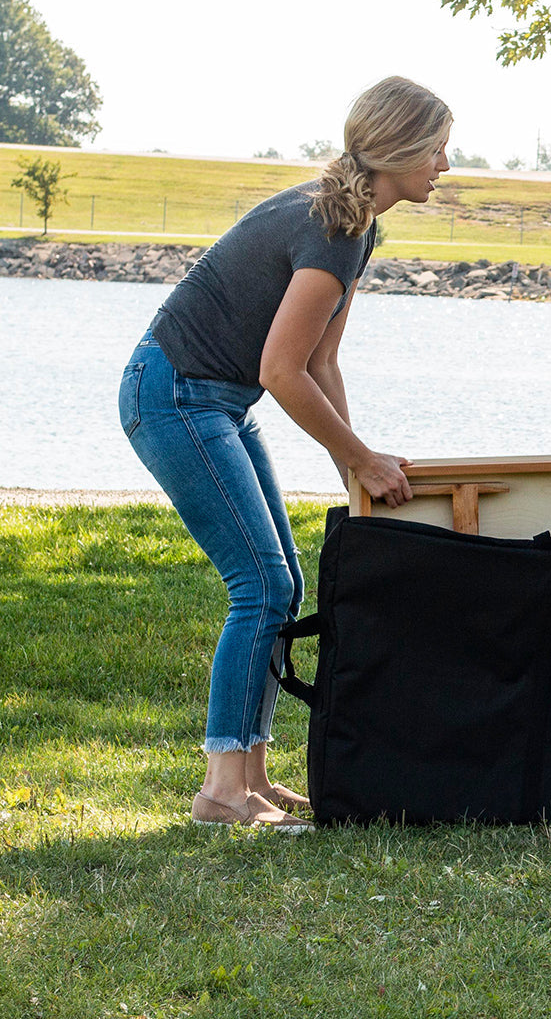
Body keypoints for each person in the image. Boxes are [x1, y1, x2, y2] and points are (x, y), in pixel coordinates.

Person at [119, 76, 451, 830]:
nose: (446, 163)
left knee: (284, 580)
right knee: (260, 583)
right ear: (398, 147)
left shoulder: (357, 223)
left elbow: (322, 361)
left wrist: (354, 465)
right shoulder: (331, 226)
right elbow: (281, 370)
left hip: (215, 400)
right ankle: (220, 791)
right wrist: (363, 458)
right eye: (437, 146)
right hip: (174, 393)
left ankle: (253, 779)